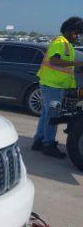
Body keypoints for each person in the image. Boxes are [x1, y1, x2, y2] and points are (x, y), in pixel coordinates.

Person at [32, 16, 83, 158]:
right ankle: (48, 145)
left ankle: (38, 141)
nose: (77, 36)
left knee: (46, 115)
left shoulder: (67, 45)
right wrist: (76, 64)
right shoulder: (60, 42)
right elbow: (54, 61)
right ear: (68, 31)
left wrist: (76, 69)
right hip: (52, 86)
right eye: (76, 33)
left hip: (53, 85)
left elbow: (64, 65)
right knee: (52, 115)